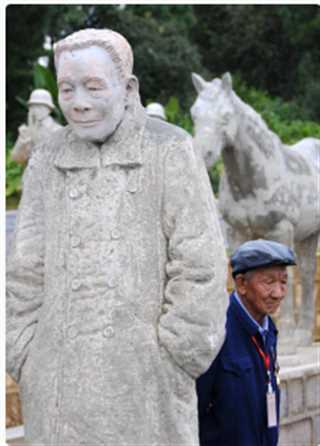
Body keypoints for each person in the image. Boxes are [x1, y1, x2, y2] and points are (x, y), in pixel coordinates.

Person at [6, 28, 228, 446]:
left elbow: (200, 265)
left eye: (93, 87)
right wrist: (24, 353)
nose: (79, 102)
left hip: (147, 389)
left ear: (127, 88)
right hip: (56, 390)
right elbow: (24, 270)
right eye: (66, 88)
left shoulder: (170, 149)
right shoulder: (47, 157)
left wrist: (176, 356)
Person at [197, 239, 297, 446]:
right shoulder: (216, 329)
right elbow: (194, 407)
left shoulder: (268, 329)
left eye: (283, 282)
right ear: (241, 284)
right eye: (268, 282)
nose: (278, 293)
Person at [11, 89, 62, 164]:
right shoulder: (28, 131)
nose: (36, 110)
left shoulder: (58, 131)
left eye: (40, 107)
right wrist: (23, 141)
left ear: (49, 109)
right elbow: (16, 158)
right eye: (33, 107)